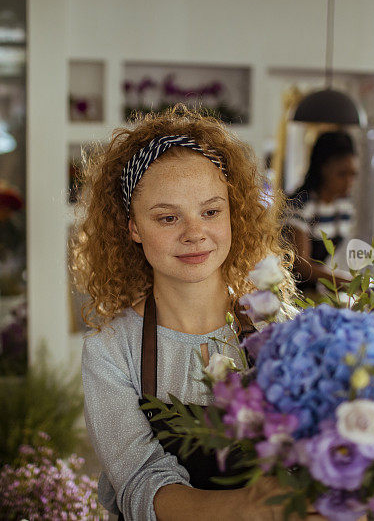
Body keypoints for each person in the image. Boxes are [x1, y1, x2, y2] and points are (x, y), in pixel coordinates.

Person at [70, 107, 310, 520]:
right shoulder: (111, 352)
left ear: (233, 212)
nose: (194, 232)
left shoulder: (280, 327)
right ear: (133, 228)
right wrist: (246, 509)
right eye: (167, 217)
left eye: (211, 211)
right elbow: (140, 483)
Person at [284, 131, 358, 294]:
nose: (349, 182)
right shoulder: (300, 205)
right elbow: (302, 266)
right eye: (342, 174)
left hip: (314, 291)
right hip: (289, 291)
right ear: (323, 169)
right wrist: (350, 283)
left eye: (353, 175)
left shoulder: (344, 207)